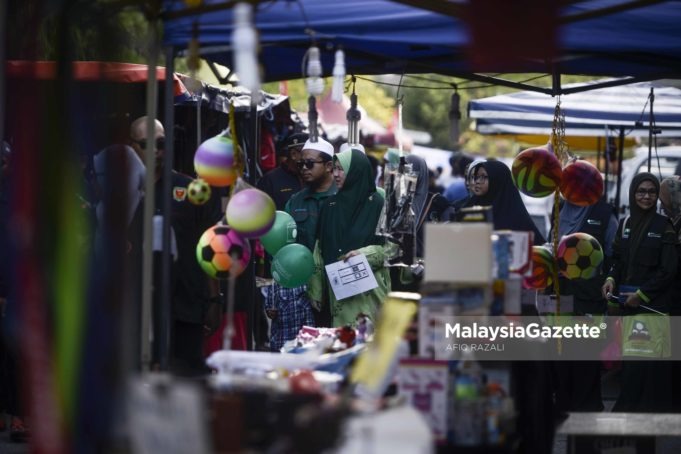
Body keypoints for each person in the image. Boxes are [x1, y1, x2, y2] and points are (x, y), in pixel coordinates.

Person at [129, 116, 223, 375]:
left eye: (161, 143)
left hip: (185, 302)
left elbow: (210, 244)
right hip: (139, 307)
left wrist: (215, 299)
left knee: (186, 378)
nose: (156, 151)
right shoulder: (123, 193)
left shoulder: (190, 189)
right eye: (146, 144)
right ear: (133, 146)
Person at [601, 172, 678, 412]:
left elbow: (668, 270)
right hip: (627, 307)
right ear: (633, 193)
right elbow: (617, 259)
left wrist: (642, 295)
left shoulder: (664, 227)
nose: (646, 196)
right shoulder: (624, 223)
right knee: (632, 365)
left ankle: (628, 420)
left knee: (642, 370)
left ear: (657, 196)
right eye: (641, 191)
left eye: (652, 192)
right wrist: (611, 279)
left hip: (651, 309)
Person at [263, 138, 337, 345]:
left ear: (329, 166)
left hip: (336, 292)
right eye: (300, 164)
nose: (303, 169)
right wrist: (274, 297)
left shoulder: (343, 199)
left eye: (310, 164)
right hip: (301, 296)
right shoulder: (295, 202)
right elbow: (280, 250)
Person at [551, 197, 618, 412]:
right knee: (562, 353)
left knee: (586, 355)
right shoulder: (559, 210)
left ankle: (587, 406)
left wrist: (606, 280)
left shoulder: (605, 213)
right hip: (563, 295)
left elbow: (613, 254)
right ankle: (563, 403)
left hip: (590, 296)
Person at [317, 148, 390, 327]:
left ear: (356, 171)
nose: (335, 174)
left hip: (369, 294)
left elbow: (393, 248)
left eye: (341, 169)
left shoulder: (378, 204)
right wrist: (316, 290)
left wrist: (364, 254)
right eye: (334, 169)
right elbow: (319, 249)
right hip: (338, 293)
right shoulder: (329, 206)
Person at [464, 160, 546, 243]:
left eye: (484, 177)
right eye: (477, 177)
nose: (477, 181)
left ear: (498, 180)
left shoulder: (516, 217)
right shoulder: (470, 206)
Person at [256, 132, 306, 211]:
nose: (311, 157)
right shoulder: (269, 180)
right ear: (293, 154)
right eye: (306, 153)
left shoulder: (312, 176)